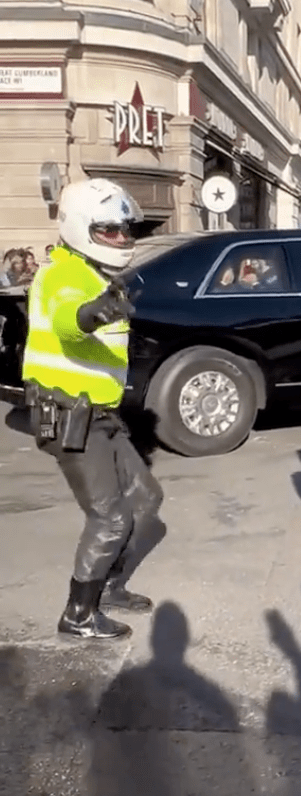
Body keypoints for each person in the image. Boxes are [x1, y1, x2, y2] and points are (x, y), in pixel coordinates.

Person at [22, 178, 164, 641]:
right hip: (69, 415)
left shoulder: (98, 273)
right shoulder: (63, 274)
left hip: (102, 414)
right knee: (110, 516)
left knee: (145, 498)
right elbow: (69, 321)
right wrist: (91, 314)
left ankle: (106, 588)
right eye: (110, 231)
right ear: (82, 228)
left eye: (125, 230)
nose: (122, 239)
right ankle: (78, 614)